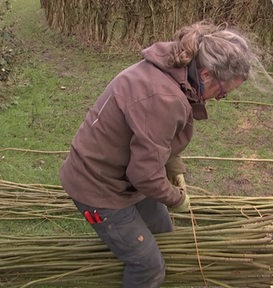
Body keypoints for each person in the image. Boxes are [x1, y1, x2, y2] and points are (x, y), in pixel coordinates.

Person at [59, 20, 254, 288]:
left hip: (121, 176)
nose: (220, 99)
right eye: (223, 92)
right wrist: (177, 199)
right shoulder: (164, 97)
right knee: (147, 266)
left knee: (163, 231)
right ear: (207, 74)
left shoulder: (175, 69)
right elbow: (145, 175)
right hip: (97, 186)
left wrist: (175, 171)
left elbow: (157, 139)